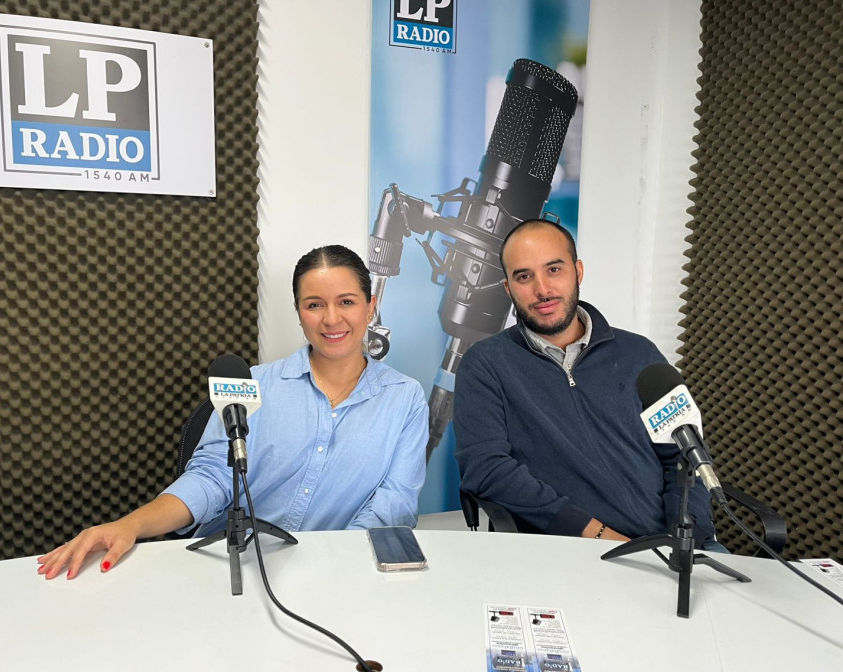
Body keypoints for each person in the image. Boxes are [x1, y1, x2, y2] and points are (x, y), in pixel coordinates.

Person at [38, 245, 428, 579]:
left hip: (338, 570)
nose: (331, 319)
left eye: (346, 301)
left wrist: (329, 568)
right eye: (314, 305)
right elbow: (211, 479)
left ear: (371, 306)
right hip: (233, 568)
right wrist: (130, 525)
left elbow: (392, 506)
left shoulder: (405, 398)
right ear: (298, 312)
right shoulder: (252, 384)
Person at [454, 219, 718, 548]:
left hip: (673, 546)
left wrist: (687, 535)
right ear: (508, 288)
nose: (541, 289)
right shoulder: (486, 364)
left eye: (554, 269)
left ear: (577, 272)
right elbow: (488, 470)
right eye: (524, 276)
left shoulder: (640, 354)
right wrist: (601, 537)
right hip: (574, 550)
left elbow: (684, 457)